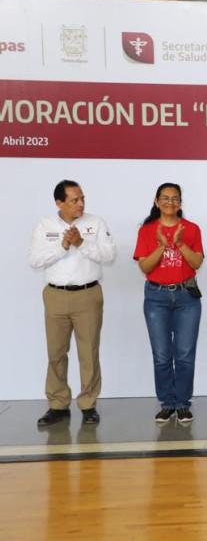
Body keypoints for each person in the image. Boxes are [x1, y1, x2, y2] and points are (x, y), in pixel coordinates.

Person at [28, 180, 116, 426]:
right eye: (74, 200)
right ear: (59, 203)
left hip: (88, 294)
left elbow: (109, 255)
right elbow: (34, 260)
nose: (80, 204)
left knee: (89, 352)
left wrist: (82, 244)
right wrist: (63, 246)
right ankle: (58, 405)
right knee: (56, 352)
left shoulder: (95, 223)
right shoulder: (45, 225)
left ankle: (88, 405)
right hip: (55, 295)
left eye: (82, 198)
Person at [133, 183, 204, 424]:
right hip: (156, 297)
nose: (170, 202)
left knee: (184, 355)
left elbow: (196, 263)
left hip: (187, 297)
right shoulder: (147, 230)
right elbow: (145, 266)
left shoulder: (191, 229)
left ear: (180, 203)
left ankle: (183, 403)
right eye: (165, 198)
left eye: (175, 198)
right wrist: (163, 245)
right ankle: (167, 403)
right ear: (156, 201)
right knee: (162, 355)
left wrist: (180, 243)